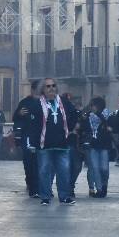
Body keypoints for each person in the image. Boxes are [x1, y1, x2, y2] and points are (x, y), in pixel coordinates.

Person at [32, 77, 75, 205]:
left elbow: (74, 114)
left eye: (53, 85)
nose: (51, 88)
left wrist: (70, 130)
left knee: (64, 171)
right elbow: (33, 125)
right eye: (48, 86)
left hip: (62, 144)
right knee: (44, 171)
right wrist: (33, 142)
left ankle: (64, 196)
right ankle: (45, 197)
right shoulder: (37, 104)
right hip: (44, 144)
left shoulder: (64, 102)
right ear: (43, 89)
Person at [82, 97, 116, 197]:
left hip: (104, 145)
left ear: (99, 106)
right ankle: (99, 190)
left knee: (104, 168)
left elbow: (110, 125)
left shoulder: (107, 114)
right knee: (95, 168)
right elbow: (84, 128)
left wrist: (98, 114)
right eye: (91, 105)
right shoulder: (88, 116)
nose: (92, 107)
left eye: (93, 105)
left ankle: (104, 185)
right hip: (93, 145)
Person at [13, 81, 41, 198]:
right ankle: (33, 187)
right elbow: (16, 118)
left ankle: (42, 188)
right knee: (30, 163)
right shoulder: (25, 102)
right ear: (33, 89)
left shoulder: (46, 102)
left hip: (42, 138)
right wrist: (19, 114)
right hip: (28, 137)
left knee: (42, 164)